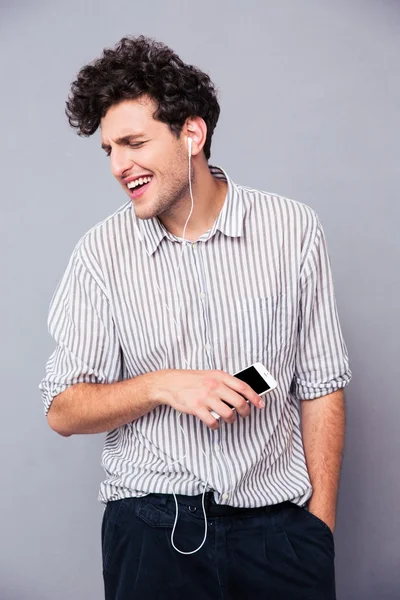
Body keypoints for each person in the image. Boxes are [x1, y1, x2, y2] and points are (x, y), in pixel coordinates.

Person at [39, 35, 352, 600]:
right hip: (151, 534)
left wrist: (319, 528)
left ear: (192, 133)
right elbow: (62, 409)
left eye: (133, 142)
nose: (118, 166)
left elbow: (323, 385)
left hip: (279, 534)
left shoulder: (294, 230)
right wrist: (165, 386)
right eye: (108, 149)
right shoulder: (99, 255)